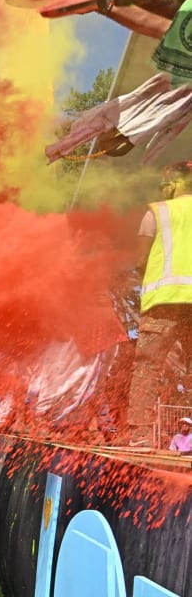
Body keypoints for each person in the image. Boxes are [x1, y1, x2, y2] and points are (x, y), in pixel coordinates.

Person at [128, 161, 192, 444]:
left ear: (177, 183)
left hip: (163, 302)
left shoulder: (158, 213)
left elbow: (140, 259)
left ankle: (141, 434)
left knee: (148, 366)